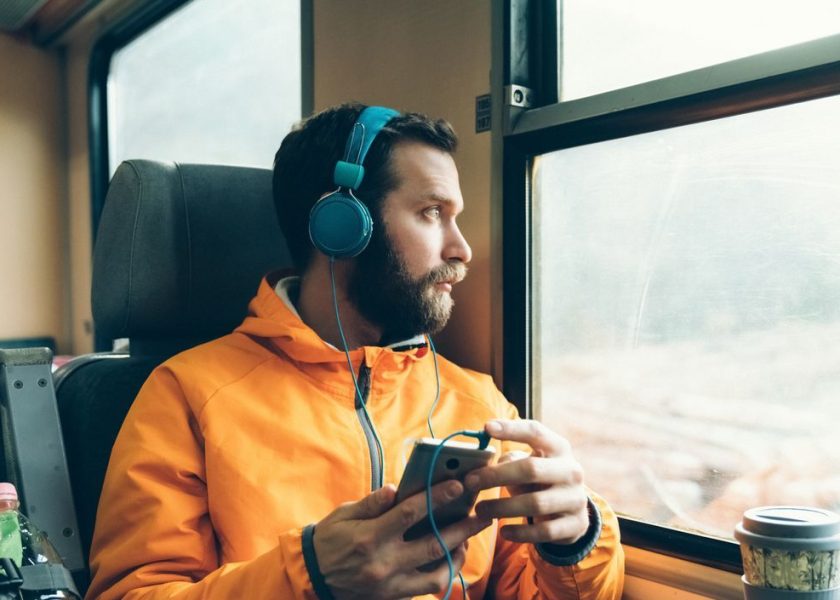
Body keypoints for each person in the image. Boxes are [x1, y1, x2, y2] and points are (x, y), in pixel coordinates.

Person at [86, 103, 624, 599]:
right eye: (432, 212)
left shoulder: (478, 402)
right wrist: (308, 578)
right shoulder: (189, 393)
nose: (461, 249)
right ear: (341, 226)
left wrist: (573, 544)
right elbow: (131, 593)